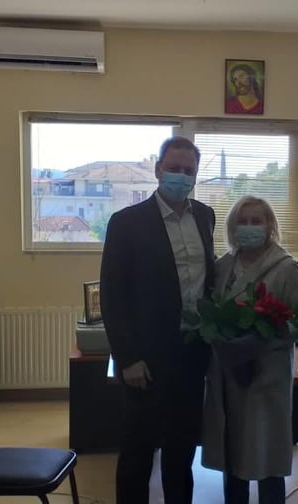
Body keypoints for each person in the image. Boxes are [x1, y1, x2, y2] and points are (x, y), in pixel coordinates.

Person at [100, 136, 216, 504]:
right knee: (138, 449)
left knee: (182, 449)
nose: (181, 176)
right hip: (146, 359)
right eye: (173, 168)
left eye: (188, 170)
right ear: (157, 170)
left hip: (192, 352)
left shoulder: (205, 216)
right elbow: (113, 295)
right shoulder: (126, 223)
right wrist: (128, 357)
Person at [201, 196, 298, 504]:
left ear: (269, 226)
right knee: (232, 451)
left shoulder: (286, 268)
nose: (249, 227)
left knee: (267, 453)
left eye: (256, 221)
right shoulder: (223, 267)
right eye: (243, 221)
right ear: (232, 228)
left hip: (266, 375)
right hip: (228, 375)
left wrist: (261, 340)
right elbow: (210, 310)